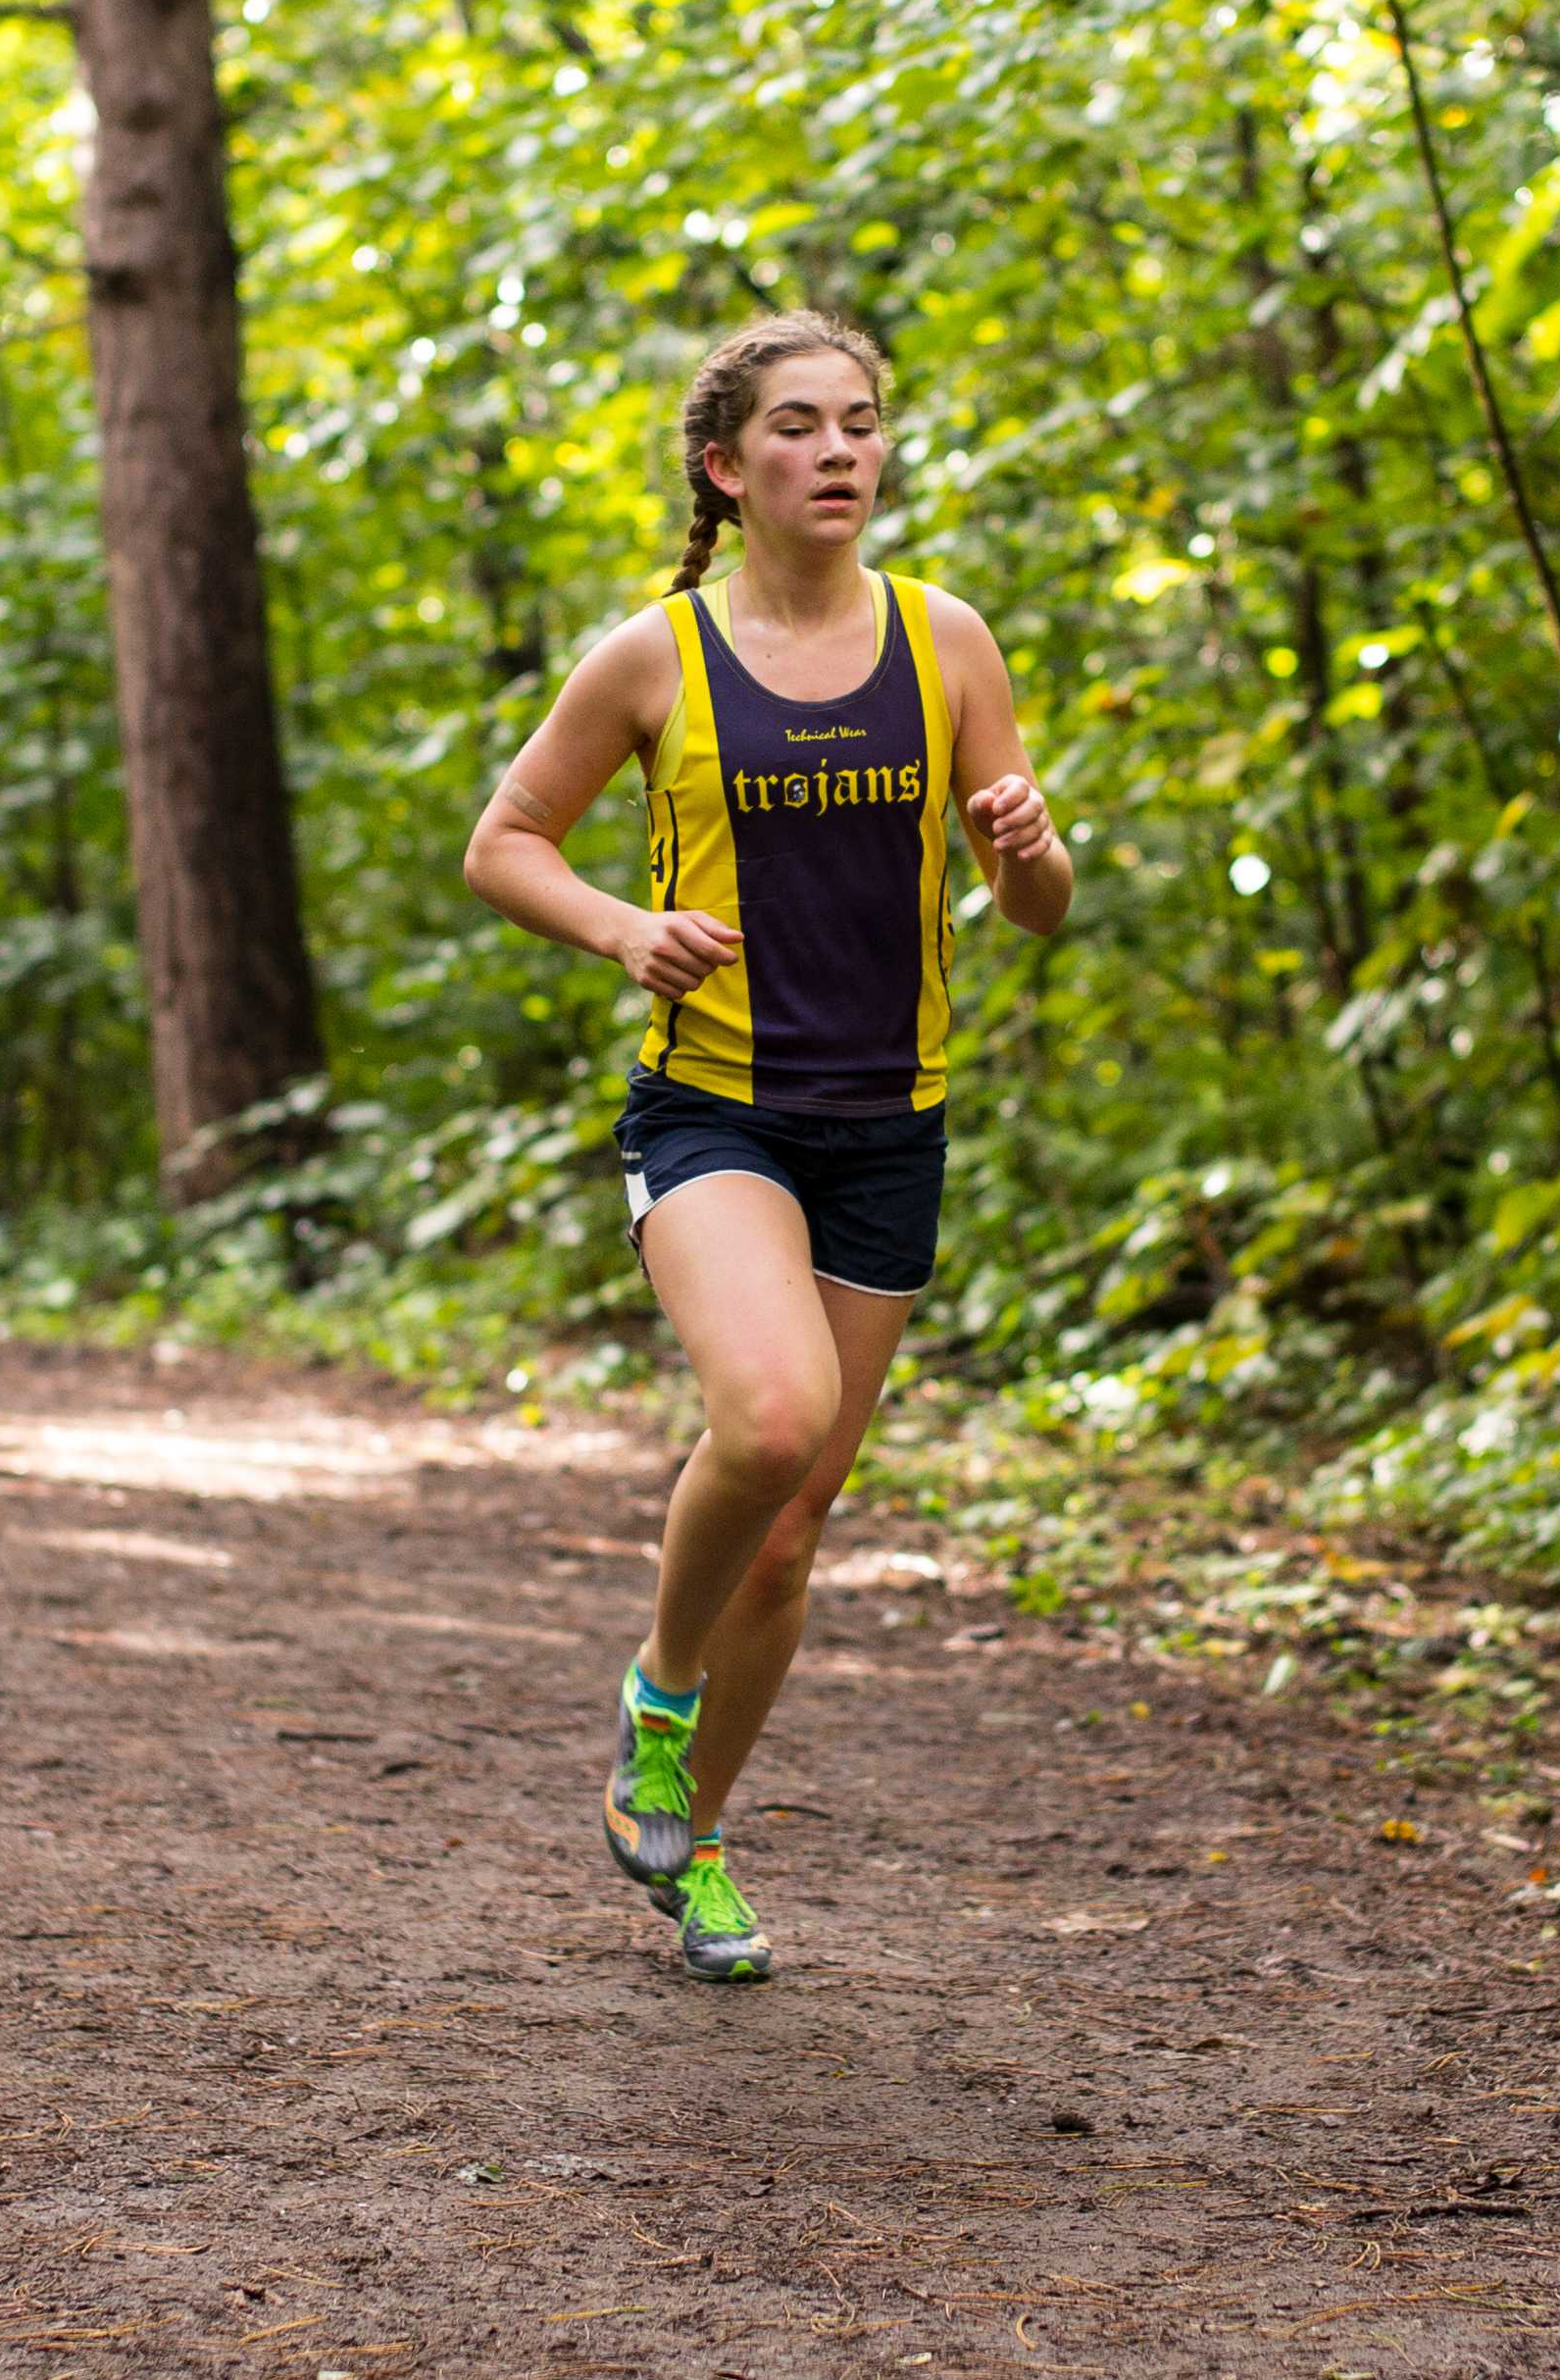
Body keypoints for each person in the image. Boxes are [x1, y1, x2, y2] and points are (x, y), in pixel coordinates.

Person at [462, 313, 1071, 1981]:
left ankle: (697, 1834)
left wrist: (1026, 847)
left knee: (796, 1522)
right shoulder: (654, 654)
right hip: (711, 1109)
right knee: (775, 1411)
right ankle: (657, 1687)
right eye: (798, 426)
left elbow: (1033, 905)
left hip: (890, 1122)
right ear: (729, 468)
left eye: (860, 423)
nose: (839, 451)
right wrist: (616, 929)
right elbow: (503, 842)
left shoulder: (944, 640)